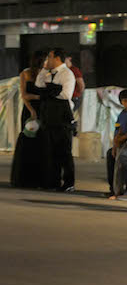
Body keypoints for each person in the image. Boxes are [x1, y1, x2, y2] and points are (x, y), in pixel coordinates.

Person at [35, 48, 76, 192]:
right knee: (50, 150)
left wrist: (49, 92)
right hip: (48, 114)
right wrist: (44, 73)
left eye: (50, 57)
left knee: (64, 150)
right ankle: (53, 181)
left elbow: (65, 94)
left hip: (62, 116)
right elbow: (38, 87)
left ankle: (69, 182)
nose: (48, 60)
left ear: (58, 58)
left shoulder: (67, 74)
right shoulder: (47, 73)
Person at [10, 50, 46, 189]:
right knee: (27, 140)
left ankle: (39, 178)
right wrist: (32, 109)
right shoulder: (25, 73)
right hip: (29, 110)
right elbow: (24, 95)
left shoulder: (45, 74)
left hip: (42, 109)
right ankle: (23, 178)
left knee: (40, 144)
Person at [106, 90, 127, 199]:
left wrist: (121, 139)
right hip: (120, 142)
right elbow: (117, 130)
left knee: (123, 157)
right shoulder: (122, 114)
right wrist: (115, 146)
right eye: (125, 101)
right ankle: (113, 189)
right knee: (110, 154)